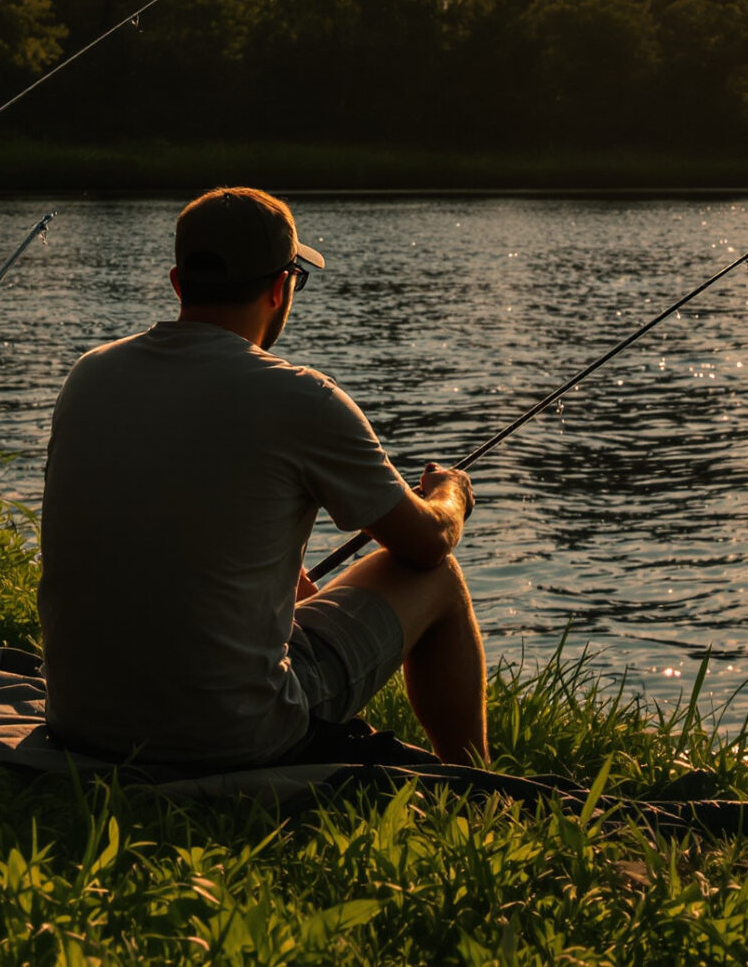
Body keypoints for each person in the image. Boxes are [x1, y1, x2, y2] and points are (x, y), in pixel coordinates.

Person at [37, 187, 487, 768]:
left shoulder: (89, 376)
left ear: (178, 283)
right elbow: (426, 542)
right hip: (232, 735)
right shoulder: (302, 398)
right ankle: (473, 785)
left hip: (79, 721)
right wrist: (450, 492)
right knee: (441, 577)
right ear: (281, 287)